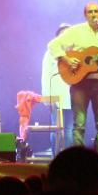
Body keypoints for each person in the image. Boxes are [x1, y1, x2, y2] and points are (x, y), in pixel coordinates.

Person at [47, 1, 98, 147]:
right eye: (90, 12)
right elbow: (53, 45)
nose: (93, 14)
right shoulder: (76, 31)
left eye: (96, 11)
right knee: (79, 124)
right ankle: (78, 158)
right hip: (80, 82)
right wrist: (67, 59)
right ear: (85, 15)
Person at [40, 23, 74, 152]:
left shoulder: (76, 52)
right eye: (63, 33)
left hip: (72, 97)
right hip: (56, 96)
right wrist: (47, 97)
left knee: (70, 130)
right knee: (56, 129)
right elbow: (46, 74)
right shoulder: (51, 52)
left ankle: (69, 159)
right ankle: (55, 157)